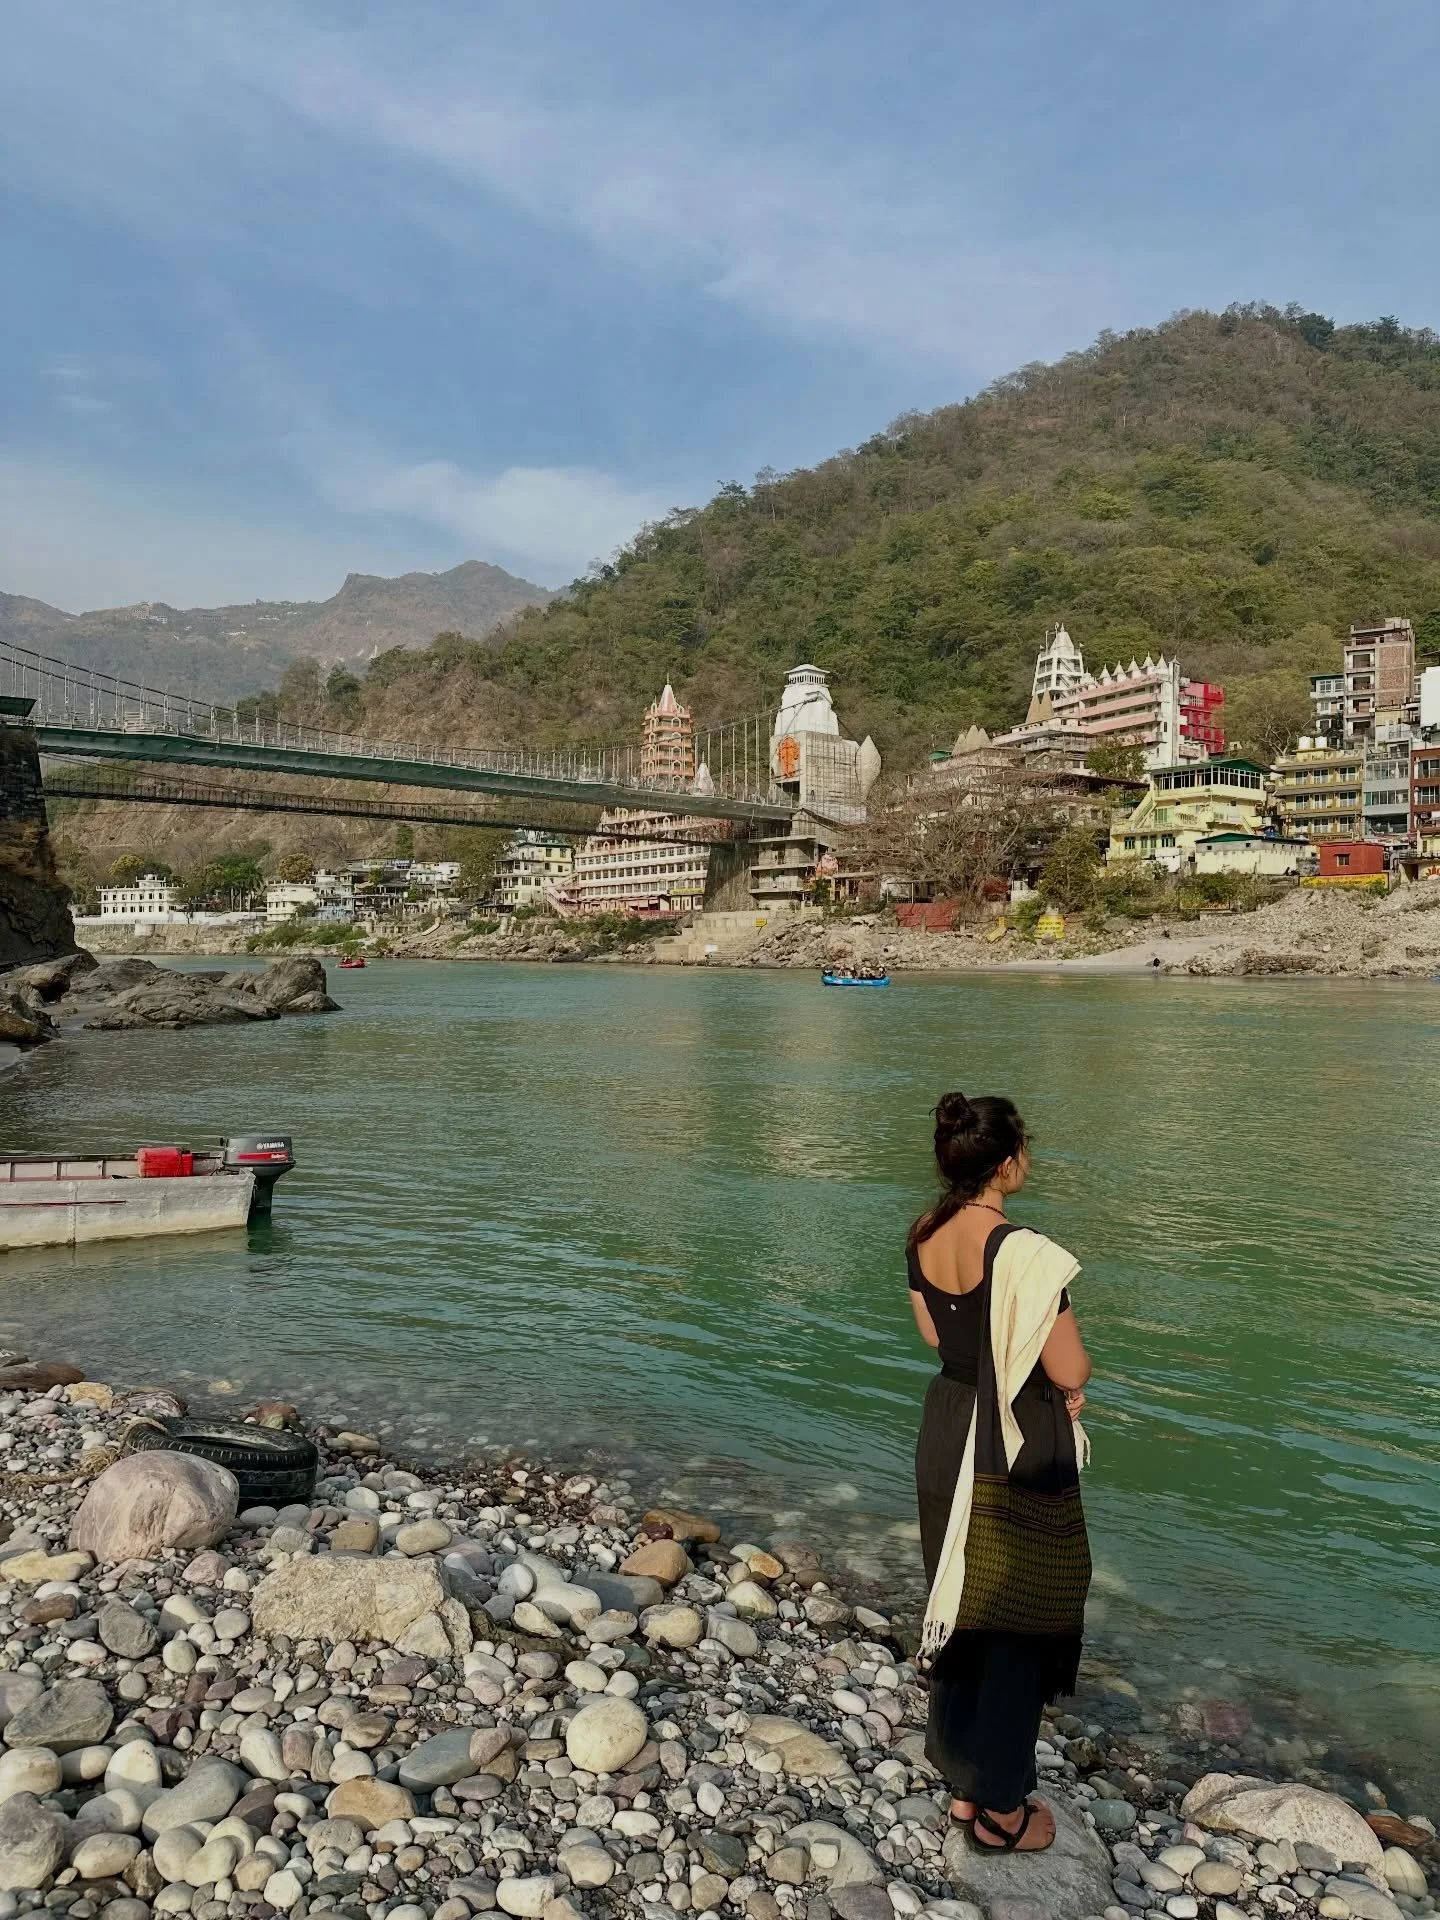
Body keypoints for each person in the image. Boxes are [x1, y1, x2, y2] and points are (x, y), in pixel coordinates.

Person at [908, 1092, 1092, 1854]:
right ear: (1008, 1163)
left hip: (948, 1425)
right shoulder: (1024, 1252)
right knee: (1022, 1618)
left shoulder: (924, 1234)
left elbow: (934, 1333)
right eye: (1026, 1149)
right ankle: (1002, 1813)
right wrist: (1070, 1387)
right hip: (1011, 1440)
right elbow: (1069, 1365)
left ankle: (963, 1779)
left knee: (963, 1602)